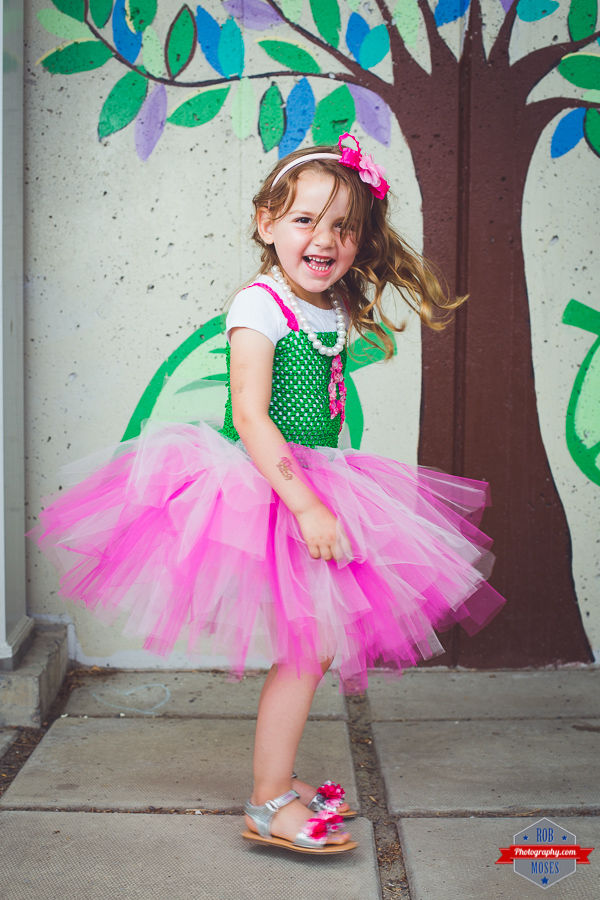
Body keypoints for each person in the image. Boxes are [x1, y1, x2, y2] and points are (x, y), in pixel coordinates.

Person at [30, 134, 505, 855]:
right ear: (266, 223)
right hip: (262, 487)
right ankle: (266, 802)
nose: (325, 239)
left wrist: (325, 490)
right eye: (305, 220)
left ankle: (274, 782)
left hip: (316, 477)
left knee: (308, 649)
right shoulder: (258, 306)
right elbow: (252, 417)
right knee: (307, 646)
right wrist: (307, 504)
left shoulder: (333, 303)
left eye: (344, 226)